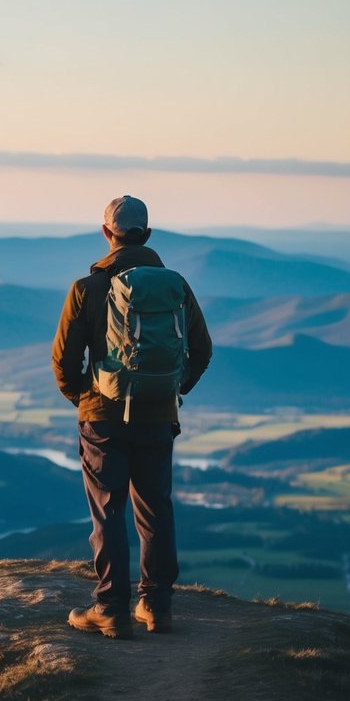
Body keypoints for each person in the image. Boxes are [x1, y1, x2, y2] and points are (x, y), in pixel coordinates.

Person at [51, 195, 212, 639]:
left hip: (102, 417)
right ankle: (156, 606)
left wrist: (85, 399)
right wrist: (173, 389)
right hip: (157, 416)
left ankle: (110, 609)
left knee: (108, 512)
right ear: (148, 234)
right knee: (155, 510)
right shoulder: (175, 284)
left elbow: (63, 361)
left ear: (106, 233)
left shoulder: (87, 289)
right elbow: (202, 350)